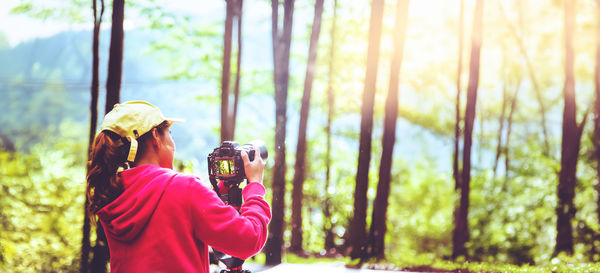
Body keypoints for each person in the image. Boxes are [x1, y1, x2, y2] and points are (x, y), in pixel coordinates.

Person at [86, 101, 271, 273]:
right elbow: (249, 239)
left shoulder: (113, 191)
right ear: (155, 137)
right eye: (170, 134)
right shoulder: (185, 188)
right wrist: (255, 186)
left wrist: (218, 194)